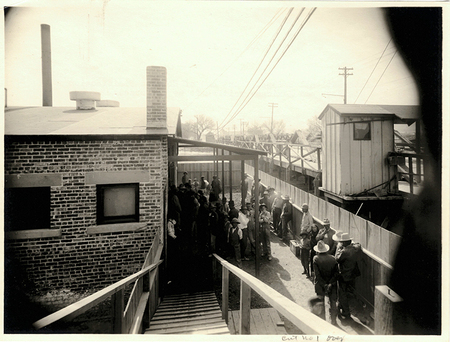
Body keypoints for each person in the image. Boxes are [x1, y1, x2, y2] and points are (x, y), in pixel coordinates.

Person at [333, 232, 362, 321]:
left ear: (345, 242)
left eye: (342, 242)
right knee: (349, 291)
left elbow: (337, 259)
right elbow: (358, 245)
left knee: (342, 293)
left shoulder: (344, 251)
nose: (341, 243)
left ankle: (346, 312)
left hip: (344, 275)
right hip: (352, 274)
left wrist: (339, 249)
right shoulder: (355, 249)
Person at [312, 240, 339, 325]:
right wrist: (330, 284)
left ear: (317, 250)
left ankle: (322, 322)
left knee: (320, 303)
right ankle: (333, 321)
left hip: (320, 285)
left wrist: (324, 285)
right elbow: (336, 274)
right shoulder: (333, 259)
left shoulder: (316, 259)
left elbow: (317, 275)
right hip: (332, 285)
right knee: (333, 302)